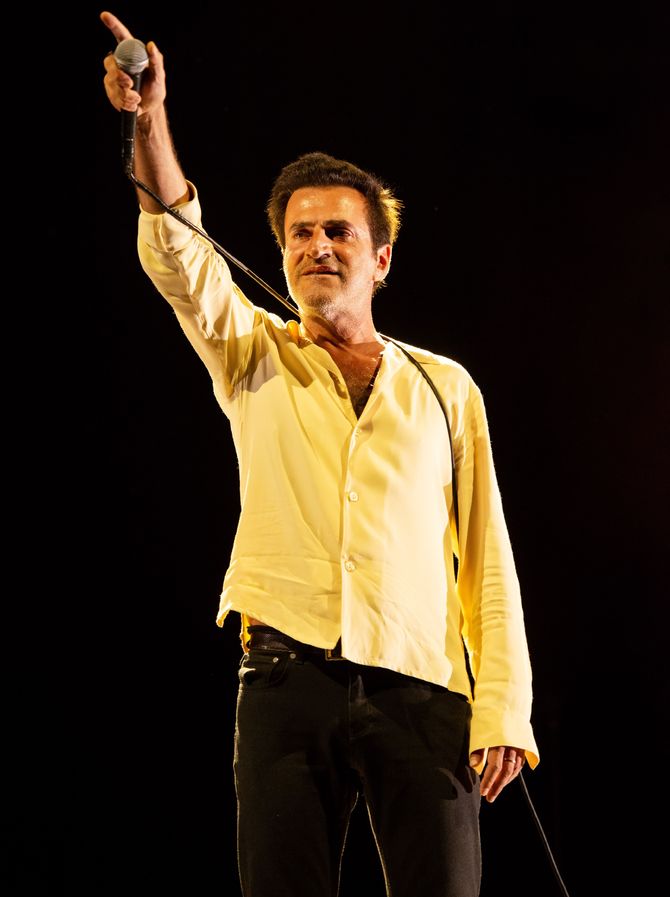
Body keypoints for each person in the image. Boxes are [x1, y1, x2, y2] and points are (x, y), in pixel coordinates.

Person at [101, 10, 540, 897]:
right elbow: (181, 250)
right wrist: (148, 119)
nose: (316, 247)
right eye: (300, 234)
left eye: (338, 232)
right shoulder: (250, 352)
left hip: (421, 683)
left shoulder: (446, 387)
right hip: (283, 677)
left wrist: (503, 705)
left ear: (381, 259)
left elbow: (487, 557)